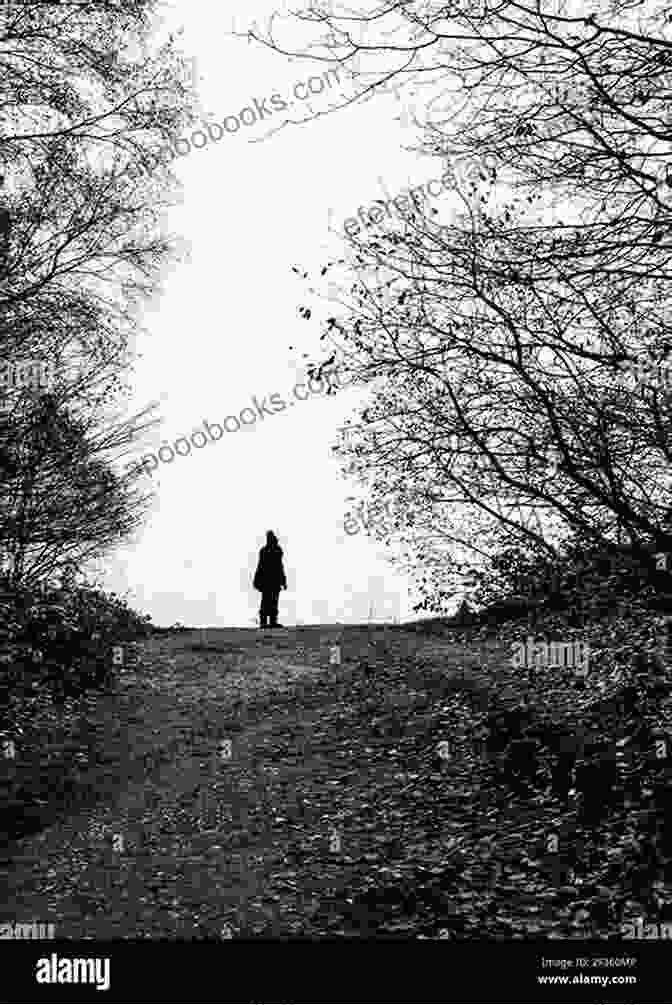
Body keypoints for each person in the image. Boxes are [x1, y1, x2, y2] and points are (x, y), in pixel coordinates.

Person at [253, 531, 287, 628]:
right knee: (269, 601)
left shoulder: (270, 550)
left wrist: (283, 581)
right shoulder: (272, 550)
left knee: (270, 601)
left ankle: (269, 622)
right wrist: (283, 581)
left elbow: (279, 567)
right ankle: (267, 622)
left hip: (271, 581)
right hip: (270, 581)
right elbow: (262, 566)